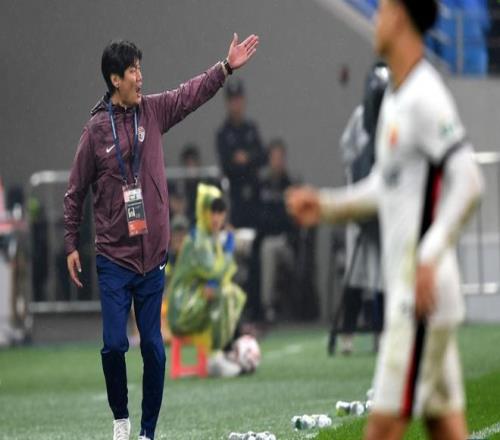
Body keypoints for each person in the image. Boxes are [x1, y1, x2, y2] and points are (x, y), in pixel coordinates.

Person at [286, 1, 483, 439]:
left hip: (419, 296)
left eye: (384, 8)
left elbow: (469, 179)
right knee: (445, 425)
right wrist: (326, 205)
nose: (376, 18)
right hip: (419, 296)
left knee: (381, 428)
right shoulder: (395, 96)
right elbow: (385, 186)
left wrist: (429, 255)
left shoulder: (425, 94)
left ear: (401, 16)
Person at [64, 34, 259, 440]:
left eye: (140, 69)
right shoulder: (95, 131)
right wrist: (70, 243)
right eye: (133, 71)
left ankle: (147, 433)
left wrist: (224, 68)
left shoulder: (152, 112)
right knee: (114, 344)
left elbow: (190, 94)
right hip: (114, 257)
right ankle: (121, 419)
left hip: (152, 256)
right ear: (115, 79)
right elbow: (75, 190)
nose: (140, 77)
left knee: (153, 347)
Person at [334, 62, 388, 355]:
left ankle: (383, 332)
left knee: (384, 271)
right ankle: (348, 331)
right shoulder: (359, 117)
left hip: (384, 206)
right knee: (355, 272)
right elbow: (347, 150)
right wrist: (359, 171)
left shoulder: (396, 116)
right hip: (360, 200)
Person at [167, 184, 246, 377]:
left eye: (220, 212)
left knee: (231, 293)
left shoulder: (210, 238)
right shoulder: (198, 240)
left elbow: (215, 275)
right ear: (202, 212)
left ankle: (225, 350)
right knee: (224, 294)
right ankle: (215, 358)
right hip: (183, 308)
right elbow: (215, 272)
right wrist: (228, 251)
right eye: (212, 212)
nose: (217, 217)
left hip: (194, 300)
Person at [216, 78, 266, 228]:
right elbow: (226, 164)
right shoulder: (223, 133)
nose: (236, 104)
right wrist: (243, 162)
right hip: (235, 193)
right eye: (232, 100)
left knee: (257, 231)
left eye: (238, 99)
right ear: (227, 103)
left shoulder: (251, 129)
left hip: (254, 192)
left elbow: (263, 156)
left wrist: (247, 158)